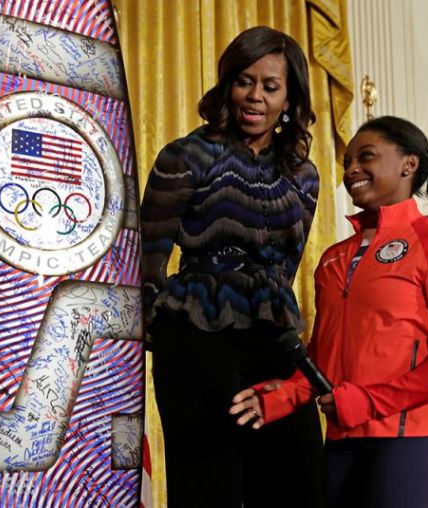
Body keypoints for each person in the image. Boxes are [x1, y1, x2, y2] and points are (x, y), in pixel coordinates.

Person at [230, 115, 428, 508]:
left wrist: (370, 402)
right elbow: (325, 357)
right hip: (341, 437)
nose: (351, 169)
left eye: (365, 157)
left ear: (409, 164)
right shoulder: (334, 258)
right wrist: (283, 395)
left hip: (408, 439)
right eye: (347, 160)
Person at [139, 26, 324, 508]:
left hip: (274, 338)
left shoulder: (304, 176)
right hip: (196, 334)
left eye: (270, 85)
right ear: (227, 84)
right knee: (208, 486)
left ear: (290, 97)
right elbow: (148, 259)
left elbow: (286, 265)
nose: (255, 96)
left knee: (296, 482)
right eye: (244, 81)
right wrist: (160, 334)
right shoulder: (186, 155)